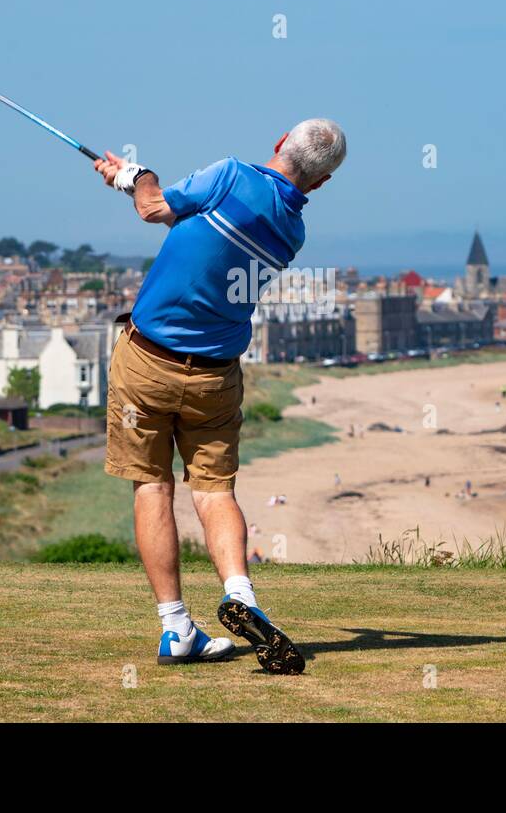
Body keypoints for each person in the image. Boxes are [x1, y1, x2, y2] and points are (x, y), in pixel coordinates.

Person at [94, 119, 347, 674]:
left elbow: (154, 208)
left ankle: (176, 627)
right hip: (216, 376)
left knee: (153, 486)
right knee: (212, 491)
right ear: (321, 183)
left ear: (280, 142)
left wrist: (134, 175)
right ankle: (241, 594)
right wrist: (130, 180)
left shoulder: (230, 175)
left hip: (147, 361)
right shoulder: (290, 233)